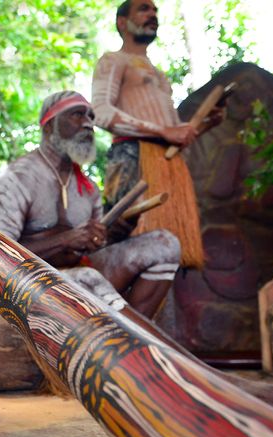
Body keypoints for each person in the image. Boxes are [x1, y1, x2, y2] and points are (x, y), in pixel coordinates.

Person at [0, 91, 180, 319]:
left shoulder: (88, 189)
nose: (88, 124)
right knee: (88, 278)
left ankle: (130, 334)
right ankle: (133, 343)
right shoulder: (17, 179)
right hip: (25, 285)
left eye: (91, 117)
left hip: (80, 277)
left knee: (165, 244)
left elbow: (94, 246)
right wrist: (66, 239)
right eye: (77, 115)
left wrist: (118, 231)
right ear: (49, 126)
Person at [91, 0, 223, 268]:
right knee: (127, 244)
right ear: (121, 22)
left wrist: (207, 124)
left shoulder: (160, 76)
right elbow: (101, 111)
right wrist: (163, 131)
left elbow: (176, 134)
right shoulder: (114, 60)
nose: (152, 14)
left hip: (168, 164)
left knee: (172, 252)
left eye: (155, 10)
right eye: (144, 9)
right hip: (132, 158)